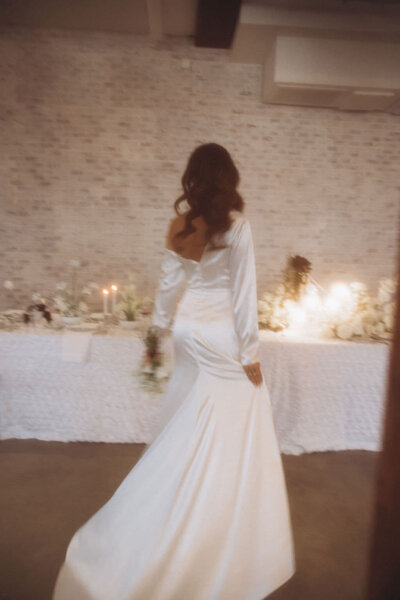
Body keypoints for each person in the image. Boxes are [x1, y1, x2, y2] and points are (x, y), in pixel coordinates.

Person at [53, 143, 295, 600]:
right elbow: (244, 294)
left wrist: (156, 334)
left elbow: (168, 287)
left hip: (187, 330)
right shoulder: (238, 227)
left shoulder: (181, 226)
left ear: (193, 179)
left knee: (192, 416)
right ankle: (220, 521)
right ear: (229, 178)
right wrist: (251, 353)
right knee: (232, 426)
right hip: (223, 336)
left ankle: (188, 496)